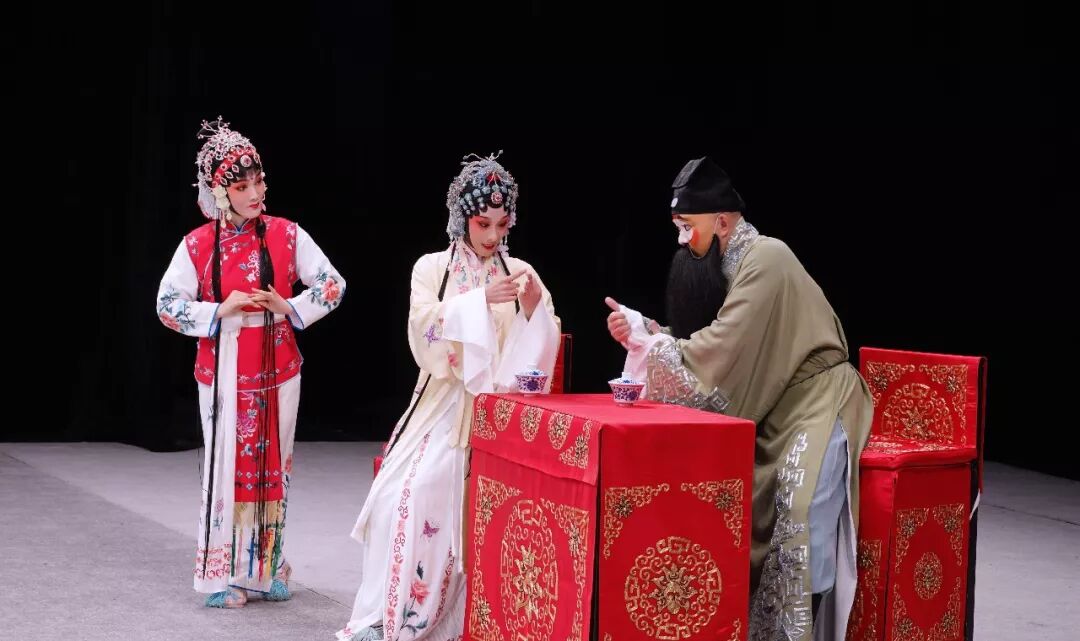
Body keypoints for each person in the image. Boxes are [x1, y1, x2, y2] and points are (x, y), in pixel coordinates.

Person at [605, 157, 873, 641]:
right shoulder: (728, 264)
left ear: (723, 222)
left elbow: (725, 346)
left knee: (799, 518)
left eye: (687, 227)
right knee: (739, 508)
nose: (682, 240)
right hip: (773, 405)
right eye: (678, 227)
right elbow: (717, 341)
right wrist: (653, 332)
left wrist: (656, 347)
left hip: (817, 402)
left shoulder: (766, 258)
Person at [336, 153, 560, 641]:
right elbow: (422, 330)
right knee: (400, 497)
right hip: (442, 403)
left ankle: (454, 621)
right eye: (483, 224)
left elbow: (544, 346)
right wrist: (478, 301)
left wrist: (533, 311)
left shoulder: (521, 271)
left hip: (496, 410)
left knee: (454, 501)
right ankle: (390, 617)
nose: (493, 235)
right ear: (463, 218)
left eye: (501, 224)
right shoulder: (431, 268)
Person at [156, 117, 347, 607]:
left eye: (258, 181)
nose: (256, 192)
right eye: (242, 187)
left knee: (272, 468)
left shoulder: (286, 234)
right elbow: (167, 305)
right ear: (221, 193)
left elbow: (333, 284)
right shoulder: (198, 244)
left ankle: (269, 565)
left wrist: (290, 306)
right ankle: (223, 572)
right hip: (223, 370)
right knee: (226, 468)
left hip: (278, 367)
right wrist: (220, 309)